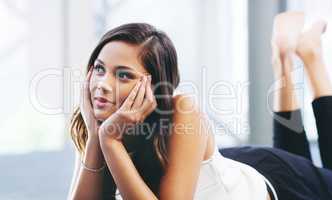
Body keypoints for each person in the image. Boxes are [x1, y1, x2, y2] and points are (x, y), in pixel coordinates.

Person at [68, 11, 332, 200]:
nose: (102, 84)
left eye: (123, 75)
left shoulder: (182, 111)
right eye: (100, 69)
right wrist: (95, 138)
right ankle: (285, 57)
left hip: (274, 180)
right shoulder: (99, 121)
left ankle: (307, 58)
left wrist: (110, 142)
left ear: (154, 85)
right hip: (223, 169)